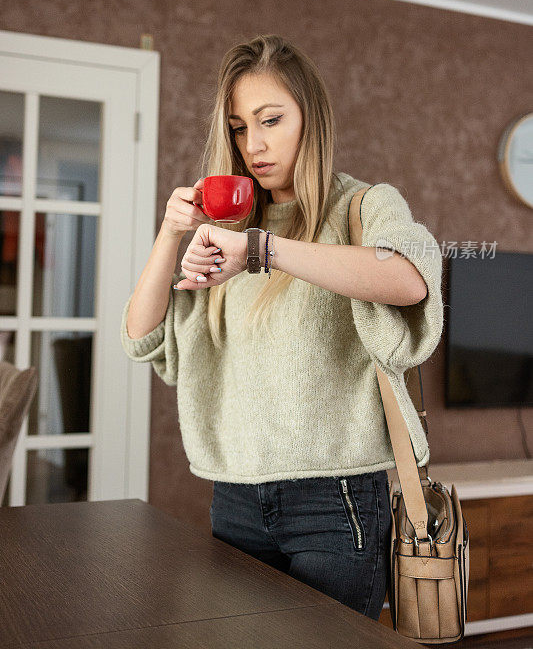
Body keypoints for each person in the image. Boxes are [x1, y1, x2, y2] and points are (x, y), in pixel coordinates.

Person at [120, 34, 443, 621]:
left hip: (336, 496)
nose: (255, 145)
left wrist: (262, 250)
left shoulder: (362, 206)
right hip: (235, 494)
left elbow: (409, 277)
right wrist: (172, 237)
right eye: (240, 127)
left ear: (309, 118)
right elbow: (141, 337)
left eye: (271, 120)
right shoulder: (225, 227)